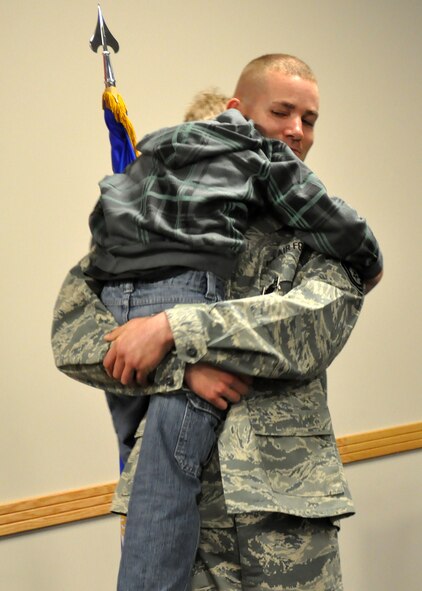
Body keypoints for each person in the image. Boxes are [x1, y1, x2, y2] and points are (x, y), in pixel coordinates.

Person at [51, 53, 382, 590]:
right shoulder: (148, 231)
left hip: (284, 519)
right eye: (280, 113)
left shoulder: (320, 232)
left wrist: (172, 330)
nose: (297, 132)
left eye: (310, 120)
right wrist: (179, 373)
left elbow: (305, 331)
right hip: (177, 519)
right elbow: (74, 336)